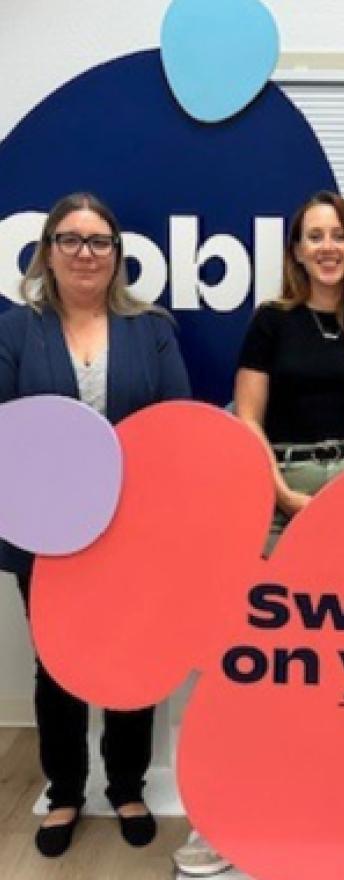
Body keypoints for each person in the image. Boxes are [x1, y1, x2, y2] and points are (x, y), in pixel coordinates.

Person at [172, 189, 344, 877]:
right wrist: (280, 492)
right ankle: (224, 819)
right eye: (314, 236)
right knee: (260, 661)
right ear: (297, 252)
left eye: (337, 234)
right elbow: (247, 417)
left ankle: (336, 810)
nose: (327, 247)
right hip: (279, 493)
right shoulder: (272, 321)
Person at [0, 192, 191, 857]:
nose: (86, 253)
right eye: (71, 240)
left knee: (131, 657)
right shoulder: (14, 330)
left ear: (117, 255)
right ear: (48, 252)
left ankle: (127, 784)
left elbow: (175, 425)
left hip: (133, 532)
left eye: (99, 241)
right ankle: (65, 791)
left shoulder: (151, 329)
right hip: (47, 534)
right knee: (57, 663)